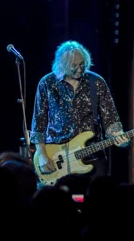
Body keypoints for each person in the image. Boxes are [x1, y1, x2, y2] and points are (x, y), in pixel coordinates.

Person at [30, 40, 129, 179]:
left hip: (93, 156)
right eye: (74, 66)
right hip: (57, 157)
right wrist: (41, 155)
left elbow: (110, 119)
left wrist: (120, 136)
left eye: (82, 64)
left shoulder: (96, 82)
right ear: (61, 65)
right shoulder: (47, 83)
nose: (79, 69)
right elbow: (39, 123)